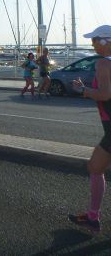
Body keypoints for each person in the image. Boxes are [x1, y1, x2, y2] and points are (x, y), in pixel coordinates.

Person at [69, 25, 111, 233]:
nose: (92, 44)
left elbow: (105, 94)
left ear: (104, 41)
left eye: (94, 40)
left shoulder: (103, 63)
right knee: (95, 167)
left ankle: (93, 218)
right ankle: (92, 217)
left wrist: (83, 90)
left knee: (95, 168)